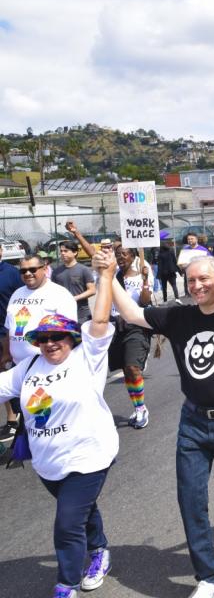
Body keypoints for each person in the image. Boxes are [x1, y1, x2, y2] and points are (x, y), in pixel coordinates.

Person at [105, 218, 214, 598]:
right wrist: (109, 278)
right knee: (190, 496)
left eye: (204, 279)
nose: (197, 285)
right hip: (194, 422)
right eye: (192, 280)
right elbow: (134, 315)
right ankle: (209, 575)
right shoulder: (179, 316)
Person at [0, 249, 117, 598]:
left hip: (88, 457)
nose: (50, 344)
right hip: (48, 464)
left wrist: (105, 277)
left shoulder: (88, 357)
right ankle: (99, 550)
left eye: (57, 337)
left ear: (71, 338)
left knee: (67, 523)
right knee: (82, 510)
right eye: (44, 339)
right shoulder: (30, 367)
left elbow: (98, 320)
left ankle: (66, 584)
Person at [69, 229, 154, 429]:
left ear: (133, 256)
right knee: (126, 370)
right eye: (118, 254)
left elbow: (145, 301)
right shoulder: (110, 276)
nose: (120, 257)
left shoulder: (143, 274)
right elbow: (93, 254)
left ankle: (141, 409)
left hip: (135, 326)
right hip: (114, 328)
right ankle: (137, 405)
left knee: (132, 367)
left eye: (124, 254)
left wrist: (144, 282)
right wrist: (77, 234)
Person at [4, 254, 78, 370]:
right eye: (23, 271)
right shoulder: (16, 293)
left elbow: (70, 333)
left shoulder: (60, 294)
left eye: (32, 269)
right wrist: (6, 353)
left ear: (44, 268)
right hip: (17, 365)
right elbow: (9, 327)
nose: (27, 273)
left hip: (46, 366)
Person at [0, 243, 24, 439]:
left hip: (9, 335)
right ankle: (11, 418)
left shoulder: (12, 274)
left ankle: (22, 417)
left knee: (14, 376)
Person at [51, 241, 95, 323]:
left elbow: (92, 290)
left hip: (82, 315)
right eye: (61, 251)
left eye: (66, 251)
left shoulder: (84, 270)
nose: (63, 253)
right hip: (62, 315)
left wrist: (74, 298)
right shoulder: (56, 272)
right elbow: (52, 292)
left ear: (75, 252)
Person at [156, 238, 180, 303]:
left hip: (163, 273)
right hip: (171, 272)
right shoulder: (171, 251)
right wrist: (179, 271)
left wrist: (158, 275)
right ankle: (177, 298)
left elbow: (160, 265)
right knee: (174, 286)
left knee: (164, 288)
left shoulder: (160, 254)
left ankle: (165, 300)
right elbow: (175, 261)